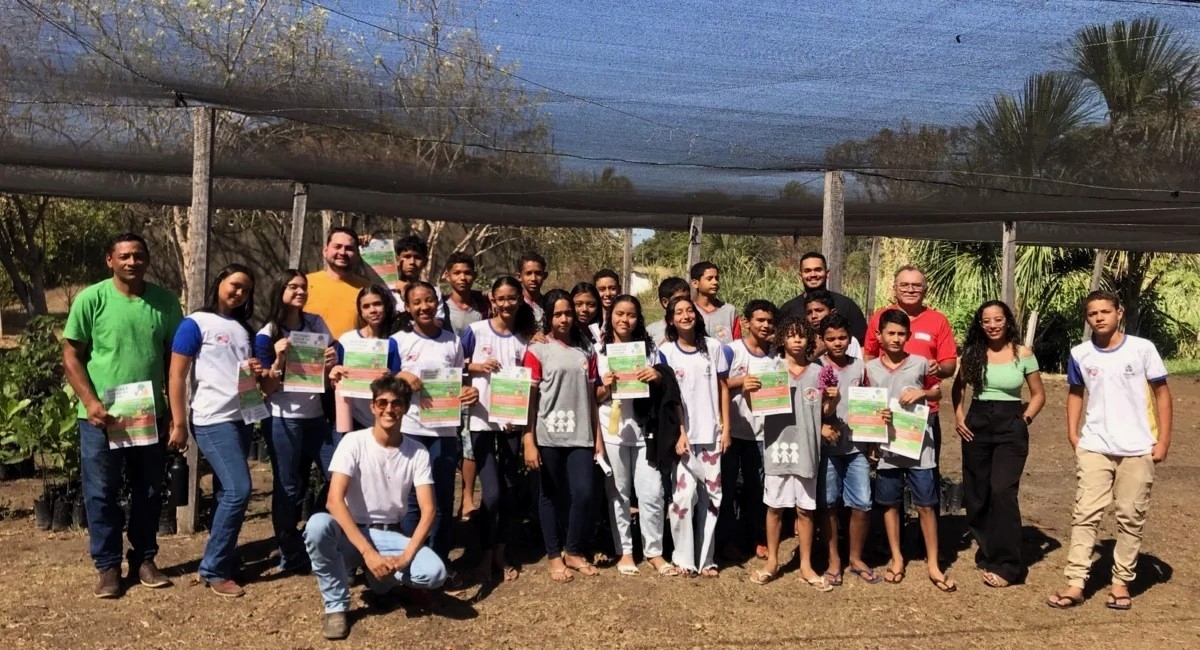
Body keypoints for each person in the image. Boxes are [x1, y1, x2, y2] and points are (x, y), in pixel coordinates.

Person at [63, 233, 184, 598]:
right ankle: (108, 566)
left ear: (147, 260)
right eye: (125, 256)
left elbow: (173, 362)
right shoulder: (92, 299)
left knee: (148, 490)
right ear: (110, 261)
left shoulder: (164, 303)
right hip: (102, 418)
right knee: (101, 492)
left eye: (139, 256)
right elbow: (71, 355)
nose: (132, 262)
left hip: (147, 414)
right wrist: (90, 402)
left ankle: (144, 558)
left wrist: (175, 416)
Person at [1047, 291, 1172, 611]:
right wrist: (1073, 434)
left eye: (1105, 311)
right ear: (1087, 319)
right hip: (1095, 446)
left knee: (1131, 515)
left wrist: (1163, 440)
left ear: (1120, 313)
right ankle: (1076, 583)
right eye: (1092, 313)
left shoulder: (1143, 349)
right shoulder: (1080, 354)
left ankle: (1120, 583)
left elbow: (1162, 394)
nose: (1099, 317)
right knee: (1086, 512)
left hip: (1137, 447)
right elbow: (1076, 394)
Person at [304, 374, 448, 640]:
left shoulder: (417, 452)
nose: (389, 409)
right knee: (317, 526)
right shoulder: (353, 442)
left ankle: (381, 582)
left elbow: (429, 510)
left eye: (396, 403)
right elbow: (333, 501)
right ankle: (336, 606)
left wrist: (405, 557)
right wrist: (368, 552)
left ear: (405, 408)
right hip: (350, 535)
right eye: (382, 403)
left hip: (389, 535)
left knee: (435, 573)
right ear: (372, 407)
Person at [168, 264, 260, 597]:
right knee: (239, 490)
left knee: (227, 493)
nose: (239, 293)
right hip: (211, 419)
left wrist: (259, 371)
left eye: (246, 290)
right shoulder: (196, 323)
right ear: (220, 282)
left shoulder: (244, 329)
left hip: (241, 418)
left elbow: (246, 376)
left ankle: (226, 557)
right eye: (235, 285)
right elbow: (177, 375)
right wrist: (179, 422)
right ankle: (214, 568)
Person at [952, 300, 1045, 588]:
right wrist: (959, 415)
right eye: (986, 321)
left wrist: (1024, 419)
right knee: (977, 493)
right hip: (978, 424)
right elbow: (958, 387)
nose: (992, 325)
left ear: (1008, 321)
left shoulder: (1023, 354)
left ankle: (1008, 565)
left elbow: (1038, 394)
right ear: (980, 325)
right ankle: (989, 549)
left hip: (1010, 426)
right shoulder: (972, 354)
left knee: (1002, 491)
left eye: (998, 319)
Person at [255, 269, 338, 574]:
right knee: (289, 487)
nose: (300, 292)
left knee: (338, 474)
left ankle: (309, 531)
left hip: (316, 417)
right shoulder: (266, 334)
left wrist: (332, 362)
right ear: (280, 290)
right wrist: (277, 360)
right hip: (282, 419)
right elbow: (266, 388)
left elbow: (331, 369)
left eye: (303, 287)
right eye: (293, 287)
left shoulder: (315, 323)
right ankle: (289, 552)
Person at [867, 309, 955, 593]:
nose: (895, 339)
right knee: (890, 505)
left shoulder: (920, 364)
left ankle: (933, 563)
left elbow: (937, 392)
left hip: (919, 447)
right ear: (879, 336)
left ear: (909, 336)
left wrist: (922, 393)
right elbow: (866, 408)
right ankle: (897, 557)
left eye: (901, 334)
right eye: (890, 333)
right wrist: (871, 439)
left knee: (926, 505)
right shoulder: (870, 369)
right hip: (887, 449)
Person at [391, 281, 478, 566]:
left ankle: (438, 559)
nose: (424, 307)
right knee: (411, 500)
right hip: (410, 431)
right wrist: (402, 375)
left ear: (436, 303)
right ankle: (411, 561)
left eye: (429, 300)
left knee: (441, 498)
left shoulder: (451, 341)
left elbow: (459, 381)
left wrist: (467, 392)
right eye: (417, 302)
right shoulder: (399, 341)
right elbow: (385, 383)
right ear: (408, 306)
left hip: (443, 431)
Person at [747, 315, 833, 591]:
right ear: (782, 338)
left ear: (810, 340)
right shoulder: (770, 370)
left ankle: (806, 565)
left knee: (805, 510)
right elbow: (756, 407)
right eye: (791, 334)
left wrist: (834, 398)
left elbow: (825, 414)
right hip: (777, 448)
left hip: (808, 450)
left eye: (802, 335)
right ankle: (772, 561)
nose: (797, 339)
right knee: (774, 507)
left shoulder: (819, 372)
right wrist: (750, 392)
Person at [522, 289, 602, 582]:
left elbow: (592, 397)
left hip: (581, 435)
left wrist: (598, 438)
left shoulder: (586, 350)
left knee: (583, 493)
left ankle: (573, 550)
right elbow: (530, 400)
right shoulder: (537, 350)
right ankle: (554, 556)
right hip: (548, 436)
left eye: (568, 312)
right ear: (548, 316)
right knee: (550, 496)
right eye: (558, 314)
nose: (565, 318)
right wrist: (528, 439)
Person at [595, 294, 679, 577]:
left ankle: (654, 552)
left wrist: (656, 377)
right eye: (619, 314)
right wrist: (606, 386)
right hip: (613, 431)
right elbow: (593, 396)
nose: (624, 320)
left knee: (652, 492)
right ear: (611, 316)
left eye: (631, 315)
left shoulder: (651, 350)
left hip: (646, 432)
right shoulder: (599, 351)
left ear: (638, 319)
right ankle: (625, 551)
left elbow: (668, 380)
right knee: (617, 493)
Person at [461, 276, 537, 582]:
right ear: (492, 299)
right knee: (490, 493)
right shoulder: (475, 332)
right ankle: (484, 553)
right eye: (501, 298)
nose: (506, 304)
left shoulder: (525, 339)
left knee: (508, 490)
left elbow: (530, 381)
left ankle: (500, 554)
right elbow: (455, 366)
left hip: (511, 424)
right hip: (480, 421)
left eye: (512, 298)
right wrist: (474, 373)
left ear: (520, 300)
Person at [657, 294, 732, 577]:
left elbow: (723, 387)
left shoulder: (713, 348)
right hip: (685, 437)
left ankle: (707, 560)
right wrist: (680, 432)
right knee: (684, 497)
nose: (686, 315)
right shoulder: (666, 352)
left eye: (690, 310)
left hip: (712, 434)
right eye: (679, 312)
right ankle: (683, 558)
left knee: (713, 497)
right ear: (671, 320)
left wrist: (726, 426)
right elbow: (670, 398)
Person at [864, 266, 957, 463]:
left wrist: (938, 369)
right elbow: (869, 357)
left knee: (924, 469)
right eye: (904, 285)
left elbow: (950, 364)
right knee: (886, 471)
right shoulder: (879, 318)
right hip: (885, 410)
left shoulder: (938, 320)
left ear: (925, 290)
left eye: (916, 285)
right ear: (894, 289)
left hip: (923, 409)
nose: (910, 290)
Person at [816, 313, 879, 586]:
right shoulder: (816, 367)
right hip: (826, 449)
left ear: (850, 338)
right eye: (830, 338)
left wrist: (874, 441)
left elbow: (872, 404)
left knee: (862, 502)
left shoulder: (861, 368)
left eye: (842, 338)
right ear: (822, 340)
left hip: (856, 448)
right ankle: (833, 559)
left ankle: (855, 557)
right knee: (828, 503)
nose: (837, 343)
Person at [720, 299, 775, 561]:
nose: (765, 325)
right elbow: (718, 384)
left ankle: (756, 537)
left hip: (762, 434)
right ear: (746, 322)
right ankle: (728, 538)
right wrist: (742, 382)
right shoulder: (731, 351)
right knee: (727, 488)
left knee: (759, 488)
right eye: (759, 320)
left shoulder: (776, 355)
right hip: (733, 432)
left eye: (769, 321)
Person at [437, 252, 489, 524]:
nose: (463, 278)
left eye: (467, 273)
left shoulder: (483, 306)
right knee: (448, 441)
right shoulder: (439, 307)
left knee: (470, 441)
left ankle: (467, 498)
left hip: (473, 387)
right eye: (456, 273)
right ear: (447, 275)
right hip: (443, 385)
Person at [330, 285, 403, 432]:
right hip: (353, 419)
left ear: (386, 306)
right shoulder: (347, 340)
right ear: (361, 311)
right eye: (366, 306)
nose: (373, 310)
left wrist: (390, 379)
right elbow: (337, 383)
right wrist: (334, 375)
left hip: (387, 418)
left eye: (377, 304)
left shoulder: (395, 341)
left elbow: (400, 383)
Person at [778, 251, 868, 344]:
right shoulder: (788, 310)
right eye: (807, 271)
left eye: (818, 269)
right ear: (800, 276)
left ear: (827, 273)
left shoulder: (846, 305)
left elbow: (862, 345)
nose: (813, 274)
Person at [306, 227, 369, 345]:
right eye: (337, 246)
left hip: (352, 360)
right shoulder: (305, 284)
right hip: (311, 358)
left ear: (358, 255)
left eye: (349, 248)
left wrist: (374, 246)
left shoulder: (367, 289)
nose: (342, 252)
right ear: (325, 251)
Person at [690, 261, 741, 345]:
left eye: (717, 278)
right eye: (709, 279)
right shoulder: (689, 311)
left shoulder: (729, 311)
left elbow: (737, 342)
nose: (715, 282)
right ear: (695, 283)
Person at [803, 290, 863, 359]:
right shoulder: (802, 341)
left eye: (819, 310)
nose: (813, 316)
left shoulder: (849, 341)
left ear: (833, 312)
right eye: (809, 313)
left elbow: (857, 367)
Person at [391, 235, 442, 310]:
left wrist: (407, 290)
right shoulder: (387, 291)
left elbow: (438, 320)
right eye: (407, 256)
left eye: (417, 257)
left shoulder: (433, 292)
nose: (412, 262)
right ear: (397, 260)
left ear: (425, 262)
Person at [646, 277, 690, 348]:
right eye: (679, 299)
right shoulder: (651, 331)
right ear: (665, 302)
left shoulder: (694, 328)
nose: (684, 302)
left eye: (688, 299)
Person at [518, 252, 548, 326]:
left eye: (538, 273)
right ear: (519, 277)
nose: (533, 278)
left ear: (545, 276)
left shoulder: (548, 305)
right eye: (528, 273)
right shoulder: (514, 305)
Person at [571, 282, 604, 346]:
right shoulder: (562, 335)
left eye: (591, 305)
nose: (584, 309)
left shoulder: (604, 334)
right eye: (578, 304)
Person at [593, 268, 621, 336]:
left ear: (619, 289)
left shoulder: (624, 317)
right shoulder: (590, 317)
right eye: (602, 289)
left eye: (612, 288)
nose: (607, 294)